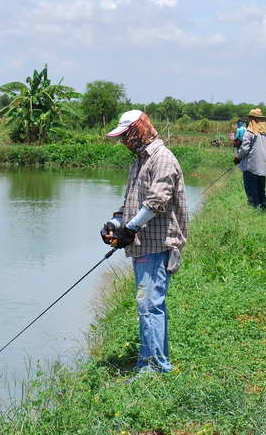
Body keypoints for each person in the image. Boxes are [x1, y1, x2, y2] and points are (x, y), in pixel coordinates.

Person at [99, 110, 188, 377]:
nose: (124, 142)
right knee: (147, 305)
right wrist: (115, 224)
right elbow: (131, 200)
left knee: (150, 306)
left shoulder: (162, 159)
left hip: (157, 245)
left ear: (139, 131)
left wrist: (130, 228)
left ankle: (155, 367)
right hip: (142, 245)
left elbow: (155, 202)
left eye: (127, 135)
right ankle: (150, 361)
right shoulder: (140, 161)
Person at [233, 108, 266, 211]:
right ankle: (263, 210)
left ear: (252, 120)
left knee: (251, 191)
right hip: (263, 168)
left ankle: (255, 210)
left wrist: (237, 158)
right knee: (261, 190)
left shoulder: (249, 133)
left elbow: (244, 149)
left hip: (251, 167)